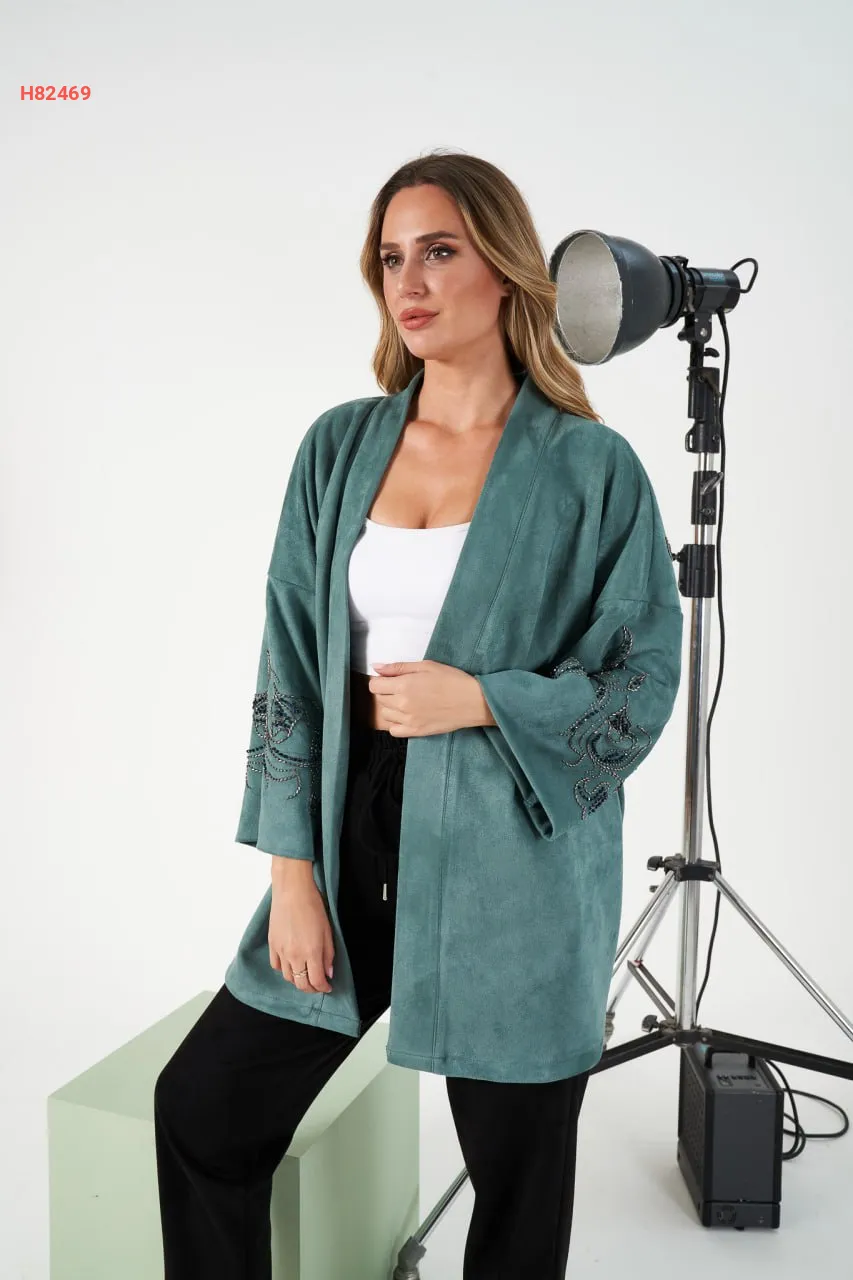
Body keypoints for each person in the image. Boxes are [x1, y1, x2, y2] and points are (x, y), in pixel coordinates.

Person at [153, 149, 684, 1279]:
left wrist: (484, 698)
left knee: (516, 1186)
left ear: (506, 267)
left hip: (516, 860)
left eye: (439, 250)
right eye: (391, 258)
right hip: (354, 829)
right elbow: (288, 663)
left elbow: (640, 679)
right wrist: (293, 878)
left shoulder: (590, 467)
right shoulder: (340, 446)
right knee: (202, 1108)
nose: (411, 280)